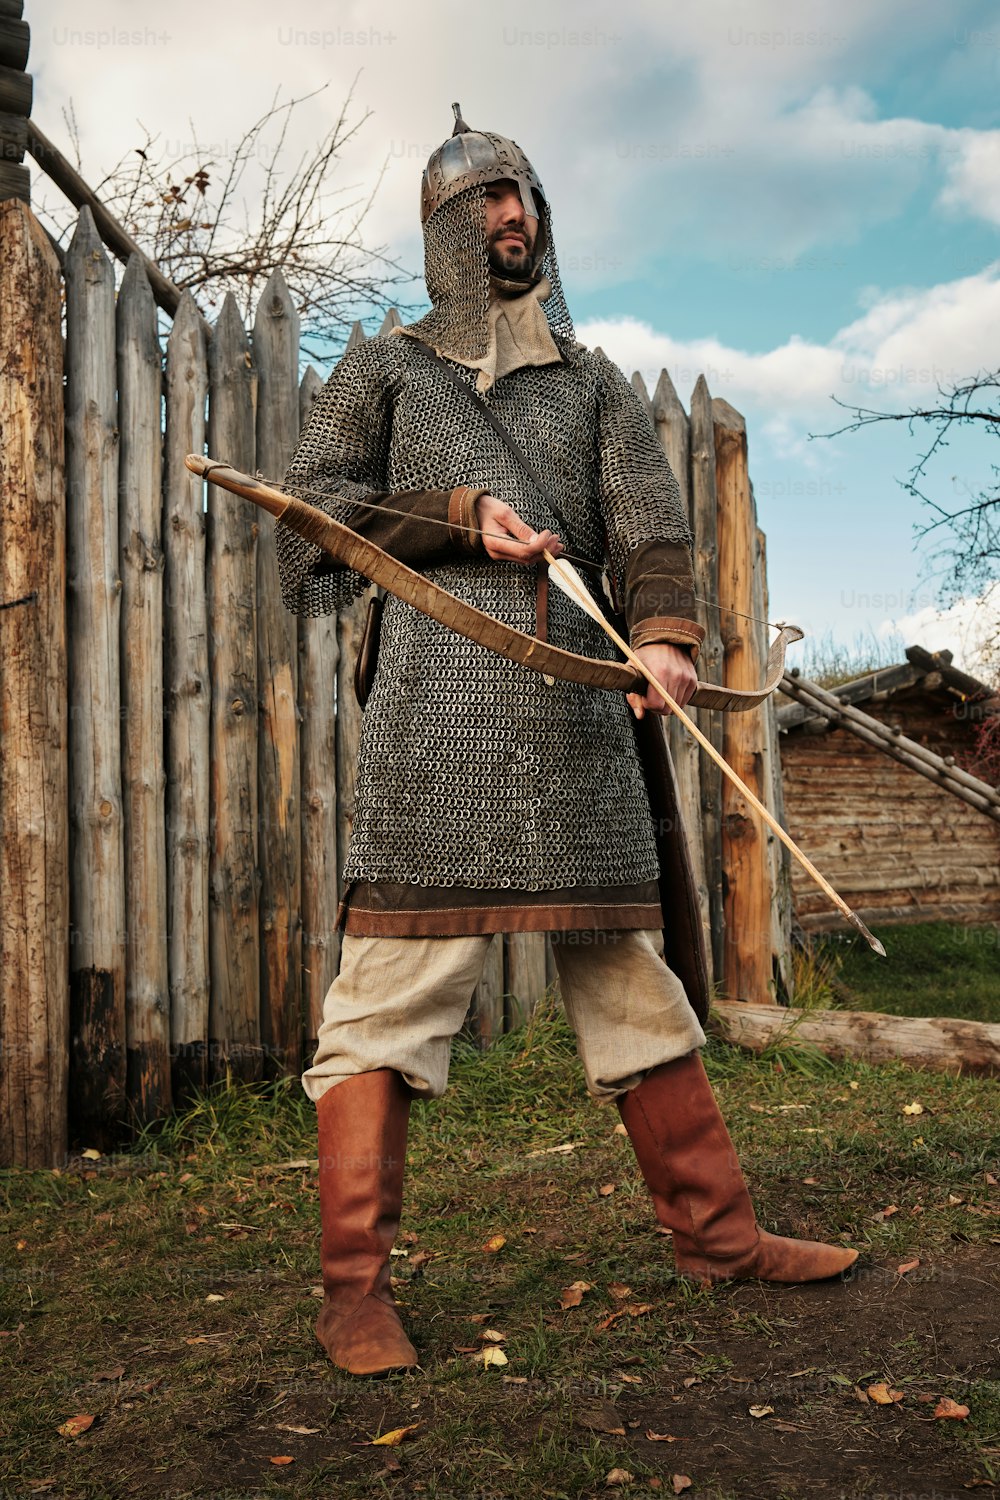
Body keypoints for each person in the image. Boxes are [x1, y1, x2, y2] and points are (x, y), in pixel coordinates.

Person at [275, 106, 858, 1378]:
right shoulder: (381, 371)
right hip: (439, 727)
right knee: (385, 1006)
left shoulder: (591, 385)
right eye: (487, 202)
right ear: (443, 230)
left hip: (580, 729)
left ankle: (719, 1240)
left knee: (632, 988)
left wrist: (665, 641)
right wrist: (451, 514)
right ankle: (352, 1292)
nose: (513, 219)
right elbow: (314, 523)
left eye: (525, 198)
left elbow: (648, 527)